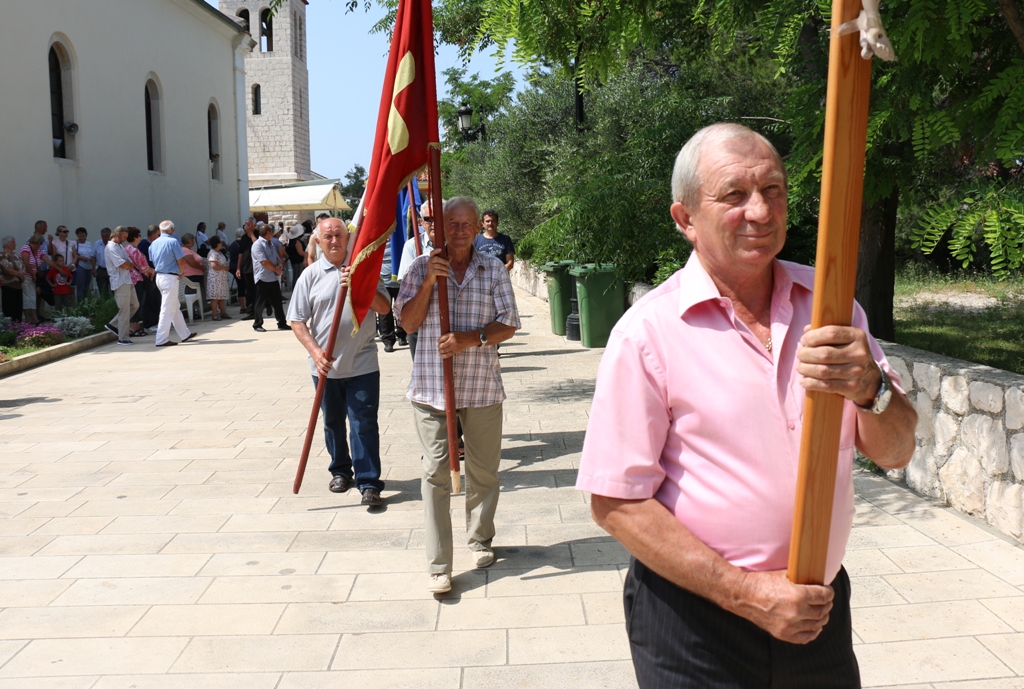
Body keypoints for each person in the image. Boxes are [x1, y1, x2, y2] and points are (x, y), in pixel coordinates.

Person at [574, 123, 917, 689]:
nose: (761, 210)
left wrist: (872, 390)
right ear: (684, 219)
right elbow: (615, 502)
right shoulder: (647, 334)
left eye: (773, 190)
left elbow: (898, 451)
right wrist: (749, 593)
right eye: (734, 195)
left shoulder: (832, 309)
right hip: (695, 624)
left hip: (816, 611)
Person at [395, 196, 521, 594]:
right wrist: (432, 280)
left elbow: (509, 324)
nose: (462, 230)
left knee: (483, 471)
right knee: (434, 473)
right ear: (439, 227)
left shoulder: (493, 270)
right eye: (454, 223)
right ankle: (438, 563)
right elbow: (409, 324)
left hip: (481, 386)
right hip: (432, 390)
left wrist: (471, 338)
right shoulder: (419, 268)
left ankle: (480, 538)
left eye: (468, 223)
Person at [288, 217, 391, 507]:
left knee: (363, 423)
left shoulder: (364, 269)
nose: (334, 241)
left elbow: (385, 308)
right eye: (328, 236)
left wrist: (360, 286)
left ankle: (369, 481)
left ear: (348, 239)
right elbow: (296, 320)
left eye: (339, 235)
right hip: (324, 366)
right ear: (318, 242)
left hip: (362, 363)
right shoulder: (310, 275)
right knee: (333, 423)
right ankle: (341, 470)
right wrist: (316, 352)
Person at [397, 201, 437, 361]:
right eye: (428, 219)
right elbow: (407, 287)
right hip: (420, 319)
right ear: (421, 222)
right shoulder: (412, 247)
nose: (433, 223)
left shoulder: (456, 245)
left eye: (438, 218)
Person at [149, 220, 196, 347]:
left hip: (160, 276)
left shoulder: (153, 244)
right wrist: (181, 272)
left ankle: (184, 333)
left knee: (174, 306)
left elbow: (152, 260)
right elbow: (180, 260)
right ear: (172, 230)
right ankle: (161, 339)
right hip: (170, 277)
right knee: (167, 308)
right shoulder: (173, 242)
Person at [103, 226, 139, 346]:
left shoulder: (120, 246)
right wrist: (127, 264)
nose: (125, 239)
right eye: (123, 237)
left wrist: (128, 264)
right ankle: (123, 338)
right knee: (124, 310)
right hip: (119, 281)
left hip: (127, 280)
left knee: (135, 305)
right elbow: (123, 264)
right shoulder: (110, 247)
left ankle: (113, 324)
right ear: (117, 234)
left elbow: (130, 263)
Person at [251, 224, 289, 332]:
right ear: (268, 233)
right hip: (263, 277)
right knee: (260, 302)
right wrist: (275, 269)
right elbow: (263, 261)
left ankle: (282, 322)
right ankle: (257, 324)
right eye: (272, 232)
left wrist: (280, 266)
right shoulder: (257, 245)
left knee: (277, 301)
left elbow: (276, 257)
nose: (273, 234)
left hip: (272, 277)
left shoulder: (271, 244)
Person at [124, 227, 154, 338]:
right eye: (139, 235)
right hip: (138, 279)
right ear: (135, 237)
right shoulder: (134, 250)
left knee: (135, 303)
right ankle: (133, 327)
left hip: (131, 279)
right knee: (138, 303)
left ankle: (135, 327)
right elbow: (144, 267)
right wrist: (153, 271)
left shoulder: (126, 248)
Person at [377, 240, 405, 353]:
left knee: (402, 310)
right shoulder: (377, 242)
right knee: (384, 314)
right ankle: (388, 340)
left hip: (399, 282)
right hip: (383, 284)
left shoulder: (398, 240)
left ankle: (402, 335)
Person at [20, 233, 54, 323]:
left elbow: (47, 261)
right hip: (26, 277)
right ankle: (28, 318)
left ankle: (34, 318)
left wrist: (59, 268)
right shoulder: (26, 248)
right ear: (36, 242)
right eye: (39, 243)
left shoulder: (38, 251)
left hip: (33, 278)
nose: (40, 246)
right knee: (27, 298)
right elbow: (26, 262)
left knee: (32, 297)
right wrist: (33, 274)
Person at [0, 236, 27, 322]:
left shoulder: (15, 255)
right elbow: (6, 268)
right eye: (13, 242)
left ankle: (18, 326)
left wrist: (22, 272)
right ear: (7, 244)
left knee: (18, 308)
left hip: (18, 285)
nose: (15, 244)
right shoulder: (2, 255)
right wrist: (18, 274)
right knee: (9, 307)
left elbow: (22, 265)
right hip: (8, 284)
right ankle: (10, 327)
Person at [236, 218, 257, 319]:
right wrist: (238, 268)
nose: (246, 227)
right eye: (245, 225)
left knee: (259, 290)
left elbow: (257, 245)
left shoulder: (258, 234)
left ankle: (262, 308)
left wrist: (251, 234)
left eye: (248, 225)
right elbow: (241, 253)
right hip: (247, 267)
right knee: (248, 291)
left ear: (254, 225)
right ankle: (250, 312)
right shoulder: (243, 238)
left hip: (257, 267)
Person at [179, 233, 206, 315]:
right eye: (192, 240)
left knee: (199, 295)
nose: (194, 242)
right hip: (191, 276)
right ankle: (195, 312)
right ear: (189, 241)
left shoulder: (190, 250)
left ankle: (198, 311)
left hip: (197, 275)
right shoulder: (184, 250)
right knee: (193, 295)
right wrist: (201, 268)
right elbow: (192, 262)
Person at [206, 236, 231, 320]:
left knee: (221, 296)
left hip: (221, 278)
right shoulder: (213, 253)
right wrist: (224, 268)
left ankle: (223, 312)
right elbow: (214, 266)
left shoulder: (219, 252)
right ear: (217, 244)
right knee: (215, 297)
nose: (221, 244)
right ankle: (214, 314)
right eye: (220, 242)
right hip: (215, 278)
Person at [72, 227, 95, 302]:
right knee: (80, 287)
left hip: (89, 266)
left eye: (83, 233)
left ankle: (87, 304)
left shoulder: (88, 243)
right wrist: (81, 257)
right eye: (79, 233)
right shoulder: (74, 243)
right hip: (81, 266)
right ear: (77, 235)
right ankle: (80, 304)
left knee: (87, 287)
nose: (81, 234)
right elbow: (73, 254)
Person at [285, 224, 307, 289]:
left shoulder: (291, 241)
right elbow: (300, 252)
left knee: (296, 275)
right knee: (298, 275)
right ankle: (296, 289)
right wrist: (307, 254)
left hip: (294, 260)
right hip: (298, 261)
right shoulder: (297, 242)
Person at [93, 228, 111, 297]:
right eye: (102, 236)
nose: (104, 238)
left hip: (111, 270)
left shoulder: (114, 244)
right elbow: (93, 256)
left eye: (106, 236)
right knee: (102, 290)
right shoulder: (97, 243)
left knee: (114, 290)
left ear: (109, 236)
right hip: (101, 269)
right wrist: (93, 268)